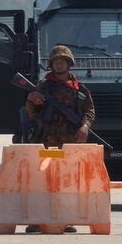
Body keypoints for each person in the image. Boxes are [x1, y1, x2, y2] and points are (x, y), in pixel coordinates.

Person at [22, 45, 96, 233]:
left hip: (69, 143)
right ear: (52, 64)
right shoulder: (43, 87)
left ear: (69, 64)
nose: (60, 64)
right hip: (46, 140)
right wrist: (32, 99)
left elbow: (89, 111)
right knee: (41, 181)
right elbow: (31, 113)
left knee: (68, 182)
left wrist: (85, 127)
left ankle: (67, 220)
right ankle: (37, 221)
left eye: (63, 61)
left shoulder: (80, 89)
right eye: (56, 61)